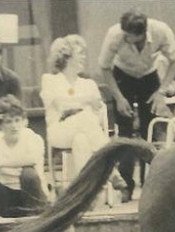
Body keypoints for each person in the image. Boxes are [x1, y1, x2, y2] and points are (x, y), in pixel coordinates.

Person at [98, 8, 175, 202]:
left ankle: (150, 184)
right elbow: (104, 66)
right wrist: (118, 97)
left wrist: (161, 91)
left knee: (149, 130)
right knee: (126, 133)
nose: (126, 39)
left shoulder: (161, 31)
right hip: (122, 75)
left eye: (130, 37)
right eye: (124, 36)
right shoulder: (115, 35)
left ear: (142, 34)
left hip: (148, 76)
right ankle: (126, 185)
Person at [41, 35, 120, 186]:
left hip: (86, 132)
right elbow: (60, 104)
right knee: (85, 118)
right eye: (80, 53)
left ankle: (83, 194)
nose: (84, 57)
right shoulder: (49, 80)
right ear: (67, 57)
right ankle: (111, 166)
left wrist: (78, 106)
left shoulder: (89, 84)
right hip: (59, 131)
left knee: (81, 141)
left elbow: (98, 114)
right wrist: (86, 101)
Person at [0, 95, 48, 217]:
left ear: (23, 121)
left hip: (32, 194)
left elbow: (31, 159)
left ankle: (36, 216)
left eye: (17, 120)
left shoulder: (32, 138)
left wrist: (3, 162)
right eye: (8, 121)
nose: (13, 126)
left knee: (28, 174)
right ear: (1, 125)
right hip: (7, 196)